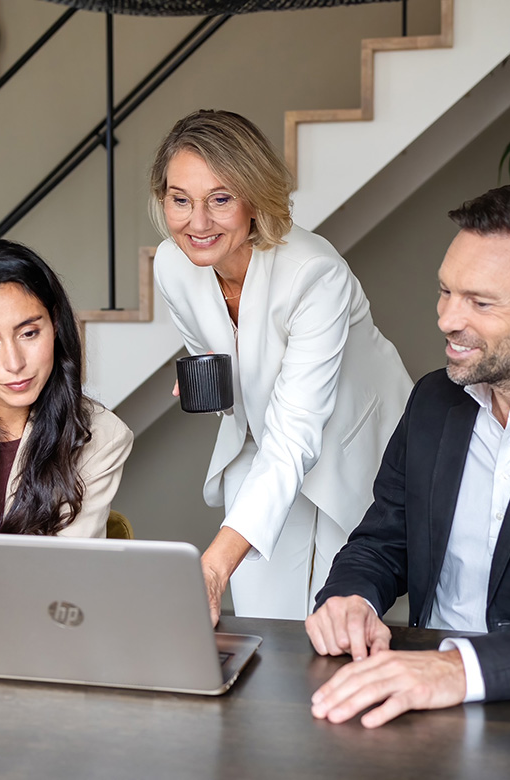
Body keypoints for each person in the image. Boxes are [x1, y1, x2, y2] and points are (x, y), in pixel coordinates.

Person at [306, 181, 510, 728]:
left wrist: (462, 670)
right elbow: (383, 538)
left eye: (480, 302)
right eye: (446, 291)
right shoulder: (434, 400)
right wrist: (352, 600)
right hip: (416, 699)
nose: (446, 319)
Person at [150, 109, 412, 623]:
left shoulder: (314, 273)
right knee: (262, 616)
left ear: (254, 198)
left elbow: (297, 434)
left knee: (330, 623)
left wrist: (213, 565)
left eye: (219, 199)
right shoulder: (171, 265)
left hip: (348, 447)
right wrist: (207, 378)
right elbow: (220, 355)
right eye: (180, 200)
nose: (196, 223)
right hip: (262, 440)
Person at [0, 239, 133, 537]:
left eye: (29, 333)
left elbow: (60, 570)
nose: (14, 363)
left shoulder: (102, 436)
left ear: (55, 323)